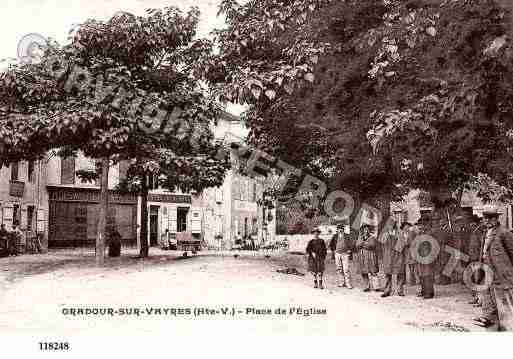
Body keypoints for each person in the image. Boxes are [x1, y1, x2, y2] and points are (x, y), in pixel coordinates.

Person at [473, 206, 513, 329]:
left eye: (489, 218)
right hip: (487, 270)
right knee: (488, 296)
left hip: (502, 273)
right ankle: (490, 319)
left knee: (503, 300)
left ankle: (508, 327)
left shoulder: (504, 233)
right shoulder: (485, 232)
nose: (486, 220)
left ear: (496, 218)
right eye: (485, 218)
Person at [381, 220, 406, 297]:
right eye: (388, 225)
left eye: (391, 225)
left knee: (400, 273)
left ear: (394, 226)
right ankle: (387, 290)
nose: (390, 227)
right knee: (387, 274)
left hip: (398, 255)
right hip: (388, 256)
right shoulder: (385, 234)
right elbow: (382, 243)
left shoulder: (400, 233)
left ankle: (400, 290)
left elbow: (402, 244)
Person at [414, 215, 436, 299]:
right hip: (420, 257)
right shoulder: (420, 233)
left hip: (428, 257)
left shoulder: (430, 232)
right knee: (422, 275)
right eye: (419, 225)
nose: (420, 226)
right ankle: (424, 291)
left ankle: (429, 293)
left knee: (427, 275)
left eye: (421, 224)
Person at [468, 215, 486, 306]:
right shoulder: (473, 232)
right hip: (472, 259)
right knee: (473, 280)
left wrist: (480, 260)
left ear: (475, 223)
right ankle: (476, 298)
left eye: (472, 223)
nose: (470, 225)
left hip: (477, 260)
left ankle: (480, 300)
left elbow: (482, 247)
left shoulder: (479, 233)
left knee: (478, 279)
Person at [355, 223, 379, 292]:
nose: (366, 230)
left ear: (369, 230)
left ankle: (376, 286)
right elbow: (357, 245)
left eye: (367, 229)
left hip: (370, 256)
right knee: (364, 272)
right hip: (362, 256)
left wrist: (362, 244)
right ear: (362, 230)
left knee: (373, 271)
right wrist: (363, 243)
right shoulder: (360, 237)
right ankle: (366, 286)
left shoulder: (372, 237)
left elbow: (371, 245)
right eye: (364, 229)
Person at [329, 223, 353, 289]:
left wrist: (349, 249)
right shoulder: (335, 236)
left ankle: (348, 283)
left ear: (343, 229)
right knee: (339, 269)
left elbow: (351, 244)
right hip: (337, 254)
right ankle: (341, 282)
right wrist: (333, 251)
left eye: (341, 228)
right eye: (339, 228)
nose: (340, 230)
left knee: (346, 269)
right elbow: (331, 245)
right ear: (337, 229)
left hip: (345, 254)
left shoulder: (347, 236)